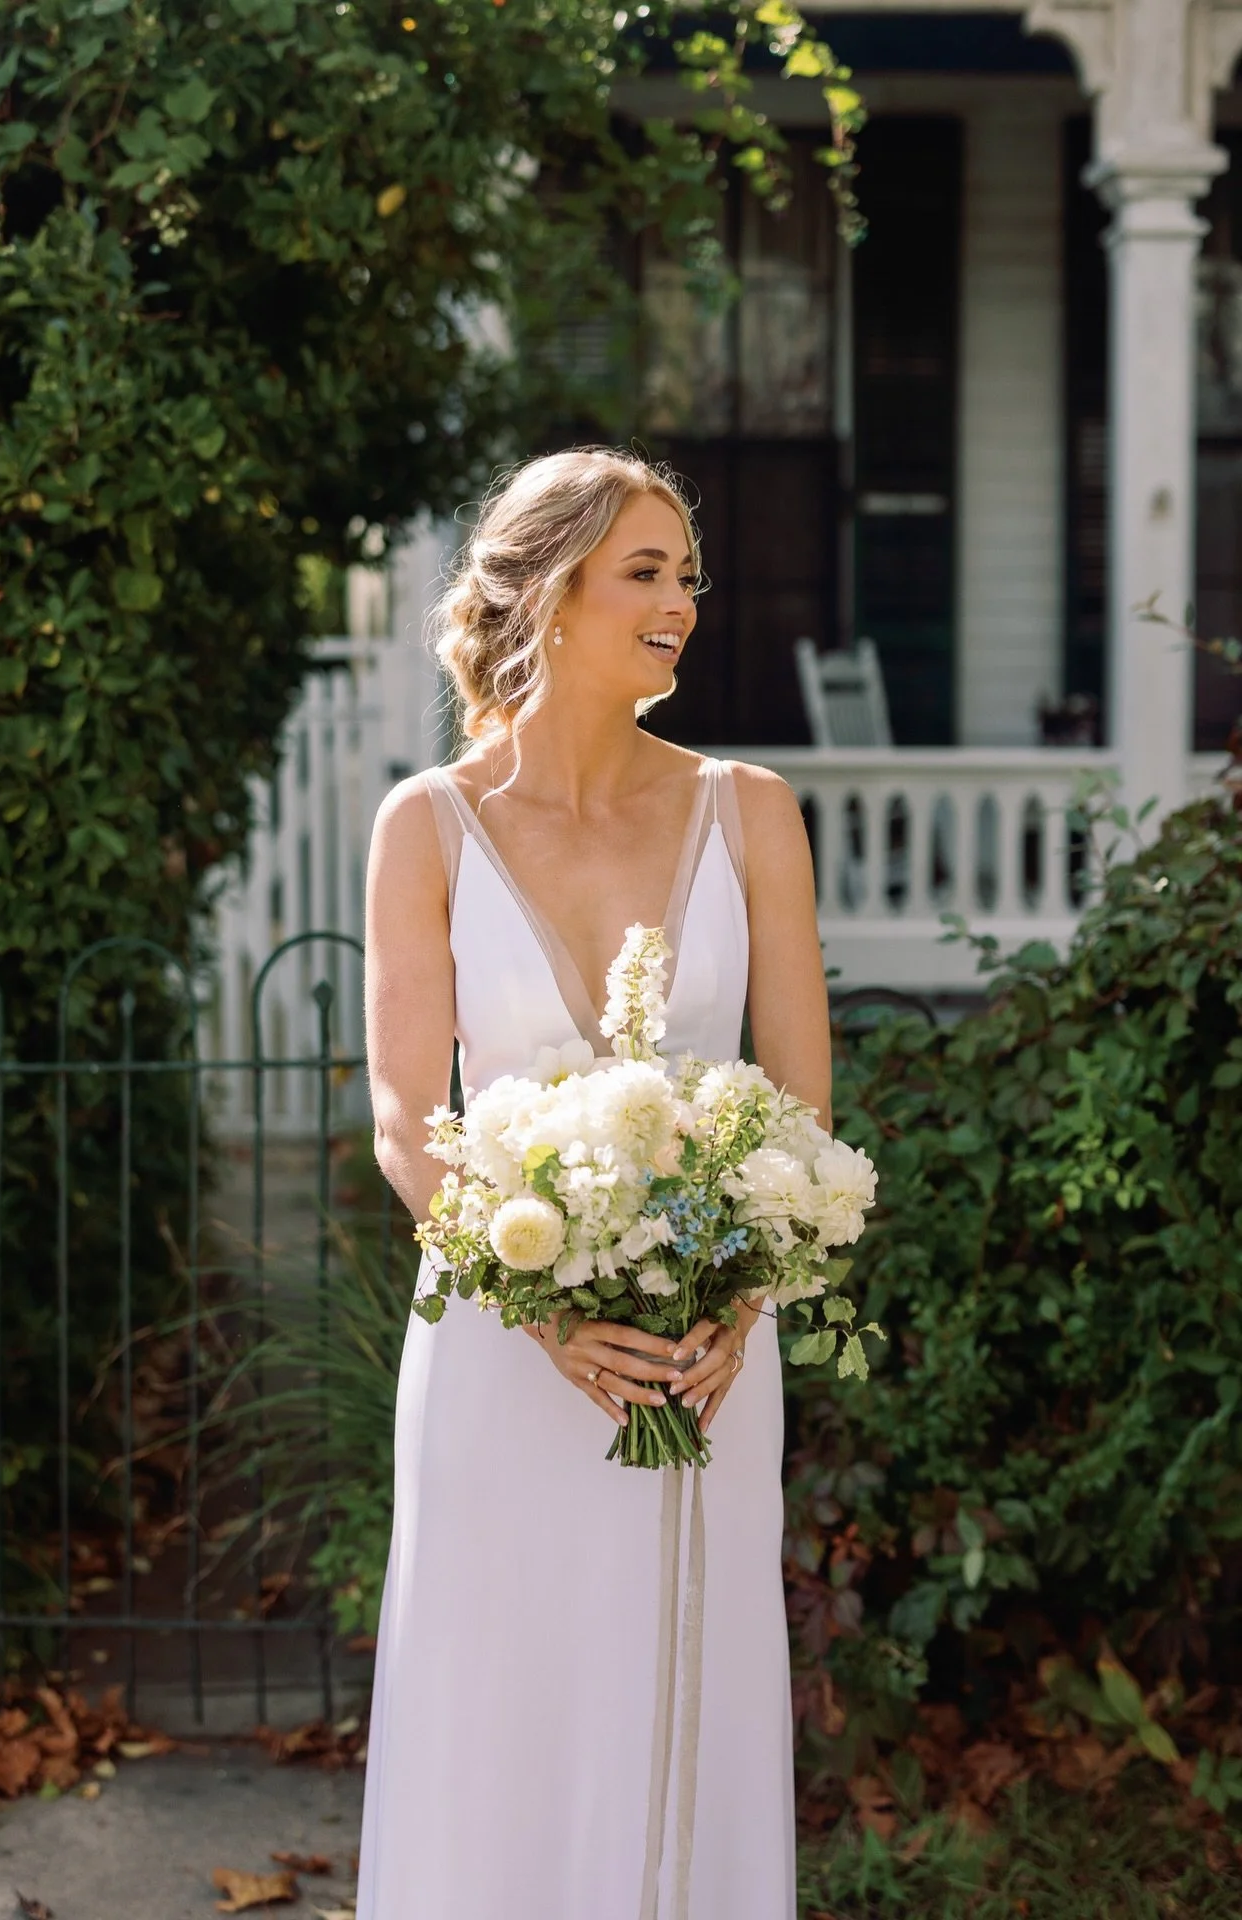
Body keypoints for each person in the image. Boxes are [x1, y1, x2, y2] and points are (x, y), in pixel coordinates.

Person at [357, 447, 830, 1919]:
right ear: (550, 596)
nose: (683, 601)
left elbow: (803, 1103)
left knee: (683, 1700)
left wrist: (746, 1294)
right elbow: (402, 1114)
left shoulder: (750, 812)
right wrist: (543, 1311)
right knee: (495, 1703)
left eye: (688, 573)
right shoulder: (424, 825)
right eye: (647, 571)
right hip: (503, 1355)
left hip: (698, 1358)